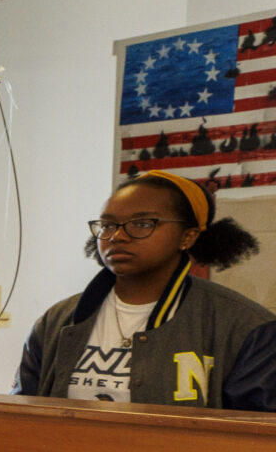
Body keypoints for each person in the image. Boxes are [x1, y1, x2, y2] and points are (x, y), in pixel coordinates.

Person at [16, 170, 276, 409]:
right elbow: (23, 416)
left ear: (188, 236)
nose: (117, 236)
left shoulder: (246, 327)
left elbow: (258, 436)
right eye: (107, 225)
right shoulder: (56, 321)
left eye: (142, 223)